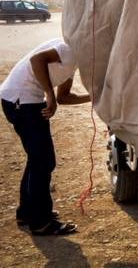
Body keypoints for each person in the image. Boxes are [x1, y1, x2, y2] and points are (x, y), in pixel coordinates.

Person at [0, 38, 90, 235]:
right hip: (22, 101)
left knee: (36, 159)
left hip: (22, 100)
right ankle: (41, 222)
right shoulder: (70, 49)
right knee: (43, 161)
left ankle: (27, 213)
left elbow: (63, 97)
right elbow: (37, 60)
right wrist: (49, 93)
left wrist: (95, 97)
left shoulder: (73, 61)